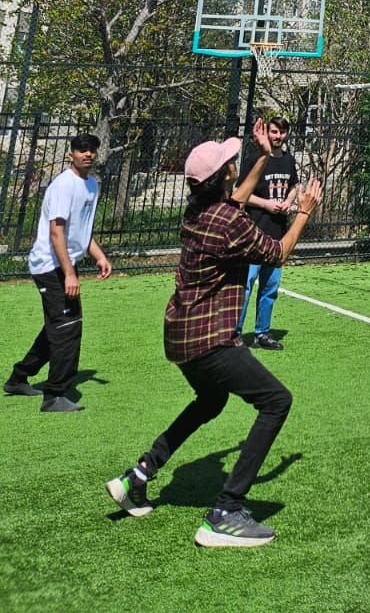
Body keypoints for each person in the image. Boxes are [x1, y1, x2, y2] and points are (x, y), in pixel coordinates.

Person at [104, 117, 322, 546]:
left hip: (179, 336)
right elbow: (277, 252)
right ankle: (225, 512)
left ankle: (139, 474)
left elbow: (236, 199)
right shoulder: (229, 223)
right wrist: (304, 212)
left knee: (211, 400)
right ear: (223, 175)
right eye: (229, 162)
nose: (233, 165)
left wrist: (263, 156)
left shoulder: (198, 212)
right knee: (276, 401)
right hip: (210, 340)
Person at [6, 132, 111, 412]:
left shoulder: (91, 185)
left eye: (92, 149)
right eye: (82, 149)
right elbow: (56, 233)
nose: (88, 154)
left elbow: (81, 230)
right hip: (49, 265)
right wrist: (69, 274)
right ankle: (53, 396)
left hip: (64, 263)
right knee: (67, 327)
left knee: (59, 324)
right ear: (70, 154)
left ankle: (18, 378)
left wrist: (99, 256)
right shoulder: (64, 185)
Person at [236, 116, 299, 350]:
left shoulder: (289, 160)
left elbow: (293, 186)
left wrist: (289, 201)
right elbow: (241, 194)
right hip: (254, 234)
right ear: (267, 133)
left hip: (277, 235)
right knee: (245, 286)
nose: (278, 136)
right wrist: (266, 204)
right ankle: (235, 335)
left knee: (270, 288)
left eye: (282, 132)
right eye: (274, 132)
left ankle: (262, 333)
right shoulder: (255, 160)